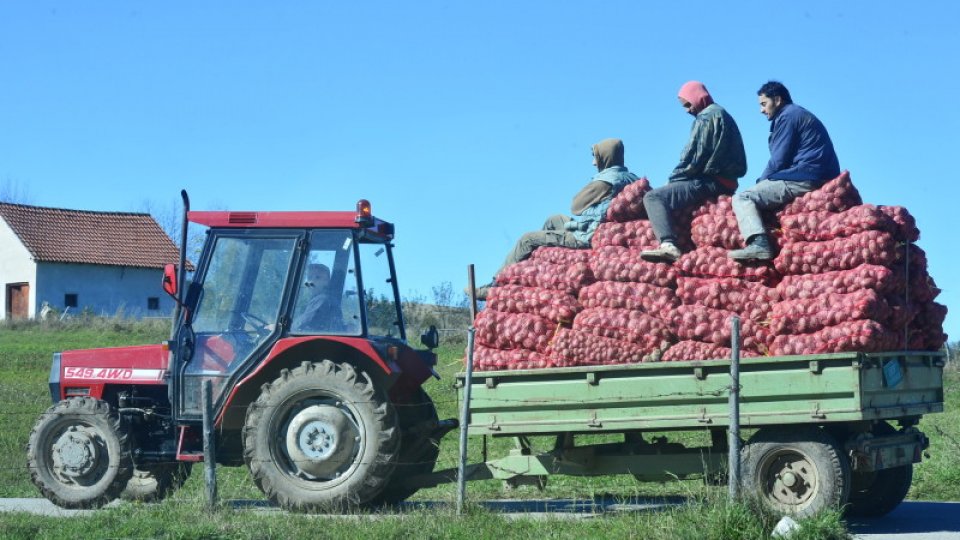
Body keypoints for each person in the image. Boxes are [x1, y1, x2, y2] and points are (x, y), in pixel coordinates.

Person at [471, 138, 640, 299]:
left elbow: (576, 206)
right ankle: (534, 269)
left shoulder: (605, 181)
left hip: (587, 235)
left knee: (527, 239)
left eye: (596, 158)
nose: (594, 163)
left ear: (606, 157)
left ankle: (496, 284)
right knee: (554, 219)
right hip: (597, 228)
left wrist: (595, 188)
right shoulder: (633, 178)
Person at [728, 81, 840, 260]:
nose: (761, 110)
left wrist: (761, 183)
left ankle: (759, 244)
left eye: (764, 104)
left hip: (805, 176)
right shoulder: (798, 113)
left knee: (743, 197)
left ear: (778, 100)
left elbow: (778, 160)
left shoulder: (788, 116)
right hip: (817, 173)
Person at [640, 81, 747, 263]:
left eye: (688, 104)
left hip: (711, 180)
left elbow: (694, 158)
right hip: (727, 180)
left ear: (698, 97)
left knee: (653, 198)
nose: (687, 110)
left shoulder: (706, 117)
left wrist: (673, 180)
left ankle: (668, 245)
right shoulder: (723, 114)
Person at [291, 263, 339, 332]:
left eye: (317, 277)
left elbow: (302, 324)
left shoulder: (322, 300)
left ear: (326, 281)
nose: (312, 281)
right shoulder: (316, 300)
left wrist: (284, 327)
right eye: (309, 277)